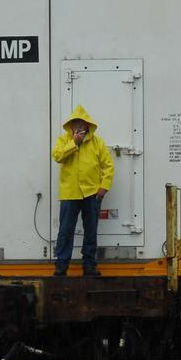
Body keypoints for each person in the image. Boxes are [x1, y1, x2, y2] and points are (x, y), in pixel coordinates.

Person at [51, 105, 114, 276]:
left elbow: (108, 166)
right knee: (65, 230)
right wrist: (74, 143)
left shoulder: (97, 142)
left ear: (87, 125)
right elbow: (57, 156)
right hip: (69, 193)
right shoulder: (64, 140)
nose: (78, 126)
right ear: (70, 126)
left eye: (82, 122)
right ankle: (61, 265)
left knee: (91, 230)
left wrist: (104, 187)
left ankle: (89, 266)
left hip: (92, 194)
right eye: (75, 123)